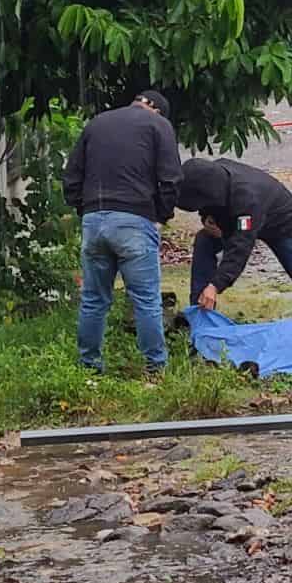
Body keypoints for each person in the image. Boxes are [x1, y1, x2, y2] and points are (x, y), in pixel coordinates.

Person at [63, 89, 182, 376]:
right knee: (145, 299)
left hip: (94, 220)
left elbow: (71, 175)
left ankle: (89, 368)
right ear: (154, 107)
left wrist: (85, 209)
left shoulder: (97, 123)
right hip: (134, 220)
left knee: (94, 299)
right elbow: (171, 178)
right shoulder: (158, 125)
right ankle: (155, 369)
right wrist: (161, 216)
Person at [176, 158, 292, 318]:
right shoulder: (212, 176)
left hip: (282, 222)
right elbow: (205, 204)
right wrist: (208, 219)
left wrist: (215, 286)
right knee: (204, 241)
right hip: (241, 217)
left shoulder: (247, 199)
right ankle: (199, 316)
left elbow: (239, 249)